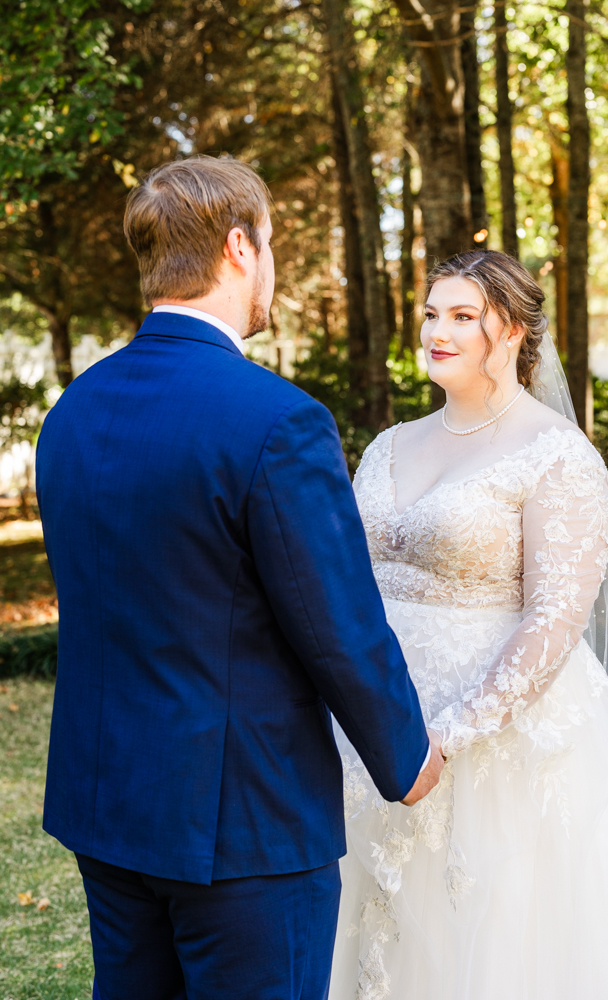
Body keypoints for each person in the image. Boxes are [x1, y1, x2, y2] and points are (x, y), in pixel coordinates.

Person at [36, 155, 444, 1000]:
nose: (272, 269)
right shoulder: (277, 421)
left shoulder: (74, 410)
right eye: (270, 245)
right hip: (241, 826)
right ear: (237, 247)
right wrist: (404, 759)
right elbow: (337, 625)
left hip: (106, 806)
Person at [330, 249, 608, 1000]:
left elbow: (553, 617)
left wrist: (446, 734)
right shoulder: (390, 443)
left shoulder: (556, 456)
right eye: (429, 315)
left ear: (510, 331)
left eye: (460, 316)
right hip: (370, 718)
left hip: (495, 739)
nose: (435, 333)